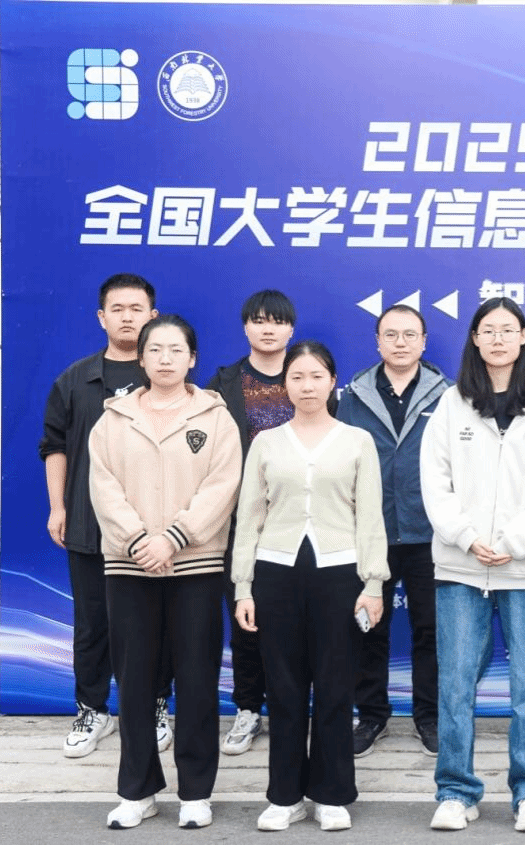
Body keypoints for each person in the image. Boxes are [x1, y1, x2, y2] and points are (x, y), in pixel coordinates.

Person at [420, 297, 525, 833]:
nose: (499, 339)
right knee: (456, 683)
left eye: (509, 329)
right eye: (489, 330)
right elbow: (434, 481)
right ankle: (455, 791)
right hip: (462, 566)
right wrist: (467, 538)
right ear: (475, 339)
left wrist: (515, 540)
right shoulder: (452, 402)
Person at [88, 314, 242, 830]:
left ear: (192, 358)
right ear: (141, 358)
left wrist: (174, 537)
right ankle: (138, 791)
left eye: (176, 350)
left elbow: (222, 486)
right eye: (155, 350)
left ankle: (196, 792)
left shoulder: (215, 418)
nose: (165, 359)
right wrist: (139, 541)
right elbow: (103, 488)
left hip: (195, 564)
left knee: (197, 680)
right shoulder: (113, 420)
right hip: (129, 566)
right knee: (133, 681)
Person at [232, 341, 389, 833]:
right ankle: (285, 796)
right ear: (285, 384)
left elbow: (371, 516)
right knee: (283, 687)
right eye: (297, 377)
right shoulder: (266, 442)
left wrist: (374, 582)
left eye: (316, 376)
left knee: (335, 685)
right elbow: (249, 516)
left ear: (332, 382)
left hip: (340, 574)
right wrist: (243, 586)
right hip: (275, 573)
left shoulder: (357, 441)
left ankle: (331, 793)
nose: (306, 386)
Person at [40, 273, 175, 759]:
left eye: (136, 309)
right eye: (117, 309)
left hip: (152, 528)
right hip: (88, 524)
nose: (127, 317)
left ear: (152, 316)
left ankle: (155, 705)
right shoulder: (75, 380)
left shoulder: (167, 376)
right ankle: (92, 709)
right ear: (102, 317)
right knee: (93, 622)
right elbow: (54, 446)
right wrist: (58, 507)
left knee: (154, 622)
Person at [338, 304, 450, 758]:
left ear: (423, 342)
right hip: (371, 531)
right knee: (367, 628)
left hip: (429, 532)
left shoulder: (449, 395)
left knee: (431, 630)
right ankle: (371, 715)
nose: (400, 342)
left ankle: (430, 717)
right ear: (377, 342)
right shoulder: (354, 395)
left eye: (409, 335)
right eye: (391, 334)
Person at [205, 289, 297, 756]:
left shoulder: (306, 374)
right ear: (245, 327)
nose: (268, 329)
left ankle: (291, 708)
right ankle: (247, 708)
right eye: (258, 320)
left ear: (291, 329)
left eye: (277, 321)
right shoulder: (224, 384)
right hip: (239, 519)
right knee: (246, 615)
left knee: (297, 618)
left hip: (300, 520)